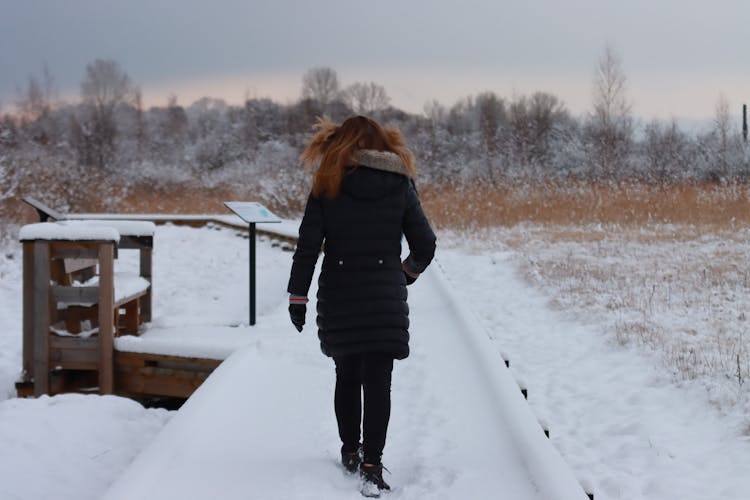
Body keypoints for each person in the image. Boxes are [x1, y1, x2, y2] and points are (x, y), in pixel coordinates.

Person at [287, 115, 436, 497]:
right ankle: (372, 463)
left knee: (347, 374)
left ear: (340, 142)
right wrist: (404, 275)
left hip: (339, 292)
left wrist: (297, 297)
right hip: (384, 293)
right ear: (382, 143)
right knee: (379, 382)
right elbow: (425, 246)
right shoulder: (400, 182)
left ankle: (349, 451)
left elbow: (308, 245)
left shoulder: (327, 183)